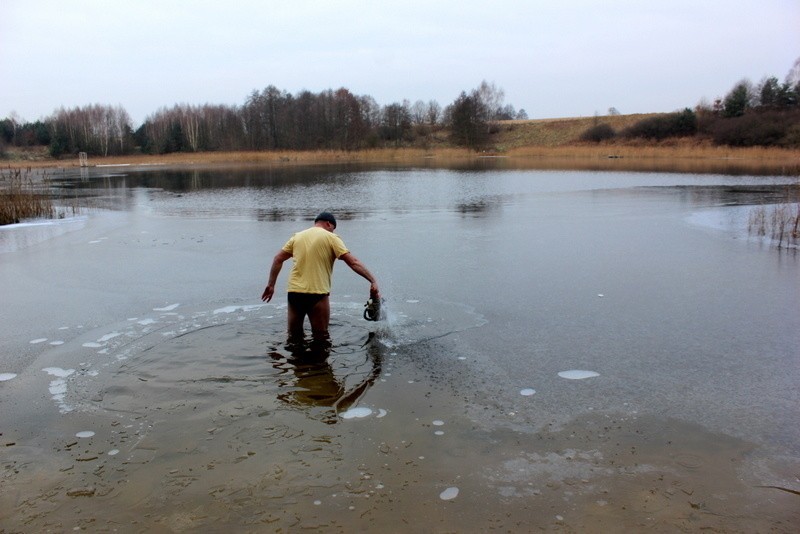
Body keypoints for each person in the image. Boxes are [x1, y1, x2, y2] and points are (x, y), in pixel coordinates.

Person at [261, 211, 380, 342]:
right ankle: (318, 362)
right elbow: (353, 262)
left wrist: (271, 285)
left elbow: (278, 259)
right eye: (333, 229)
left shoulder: (297, 236)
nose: (333, 232)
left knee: (294, 336)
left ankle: (297, 361)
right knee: (321, 337)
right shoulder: (331, 238)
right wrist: (372, 280)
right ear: (329, 224)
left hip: (294, 293)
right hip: (317, 293)